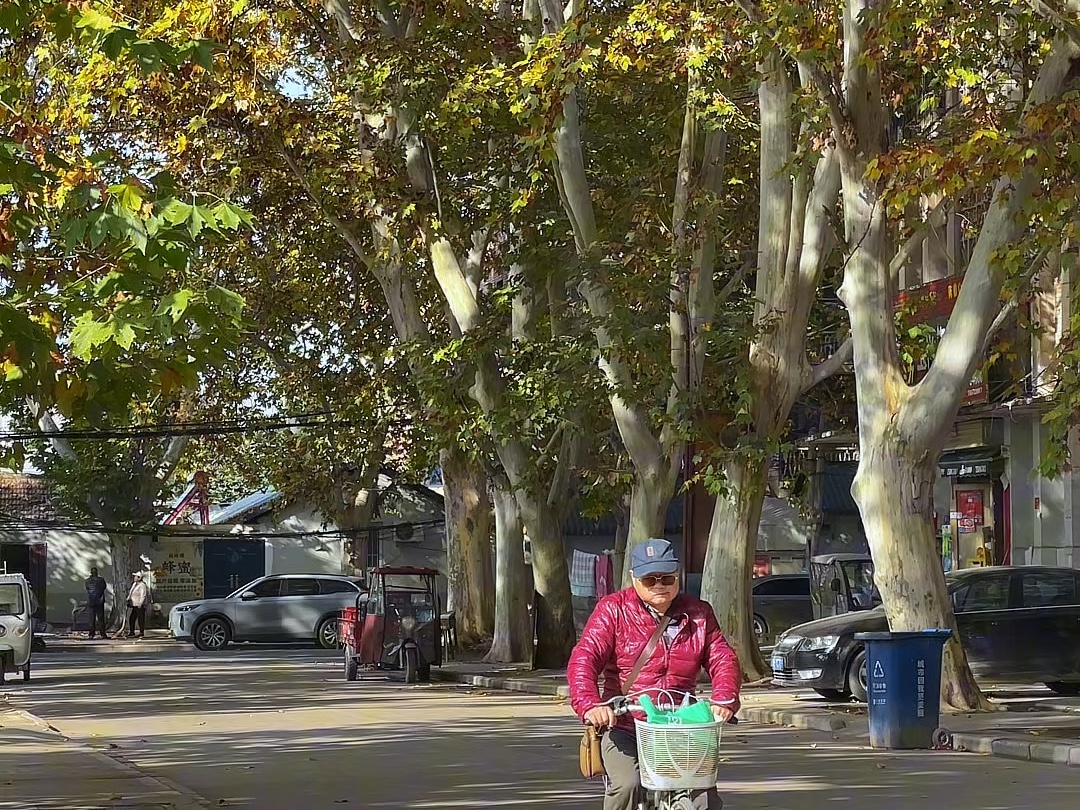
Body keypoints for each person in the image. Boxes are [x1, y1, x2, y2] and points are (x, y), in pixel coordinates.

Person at [568, 539, 741, 810]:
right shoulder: (613, 609)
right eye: (650, 579)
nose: (659, 584)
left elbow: (723, 658)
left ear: (677, 576)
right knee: (627, 784)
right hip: (625, 726)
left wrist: (724, 699)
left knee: (703, 796)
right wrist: (590, 705)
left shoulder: (699, 613)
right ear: (633, 578)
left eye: (667, 578)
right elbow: (584, 658)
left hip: (681, 728)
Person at [85, 567, 109, 639]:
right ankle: (103, 634)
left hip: (91, 601)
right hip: (100, 601)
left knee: (91, 618)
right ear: (97, 572)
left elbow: (87, 588)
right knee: (101, 618)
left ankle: (91, 634)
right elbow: (104, 587)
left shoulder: (87, 581)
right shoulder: (101, 580)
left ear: (91, 573)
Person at [126, 572, 150, 639]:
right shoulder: (134, 584)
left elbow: (143, 595)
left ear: (139, 578)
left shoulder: (142, 585)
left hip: (139, 604)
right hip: (134, 604)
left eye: (136, 576)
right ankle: (132, 632)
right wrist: (128, 599)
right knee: (132, 618)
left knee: (140, 619)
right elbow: (131, 592)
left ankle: (141, 632)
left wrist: (141, 603)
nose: (134, 578)